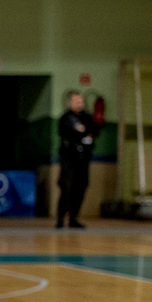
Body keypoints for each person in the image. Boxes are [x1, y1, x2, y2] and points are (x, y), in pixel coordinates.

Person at [57, 91, 98, 229]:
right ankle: (61, 219)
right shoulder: (65, 118)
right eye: (76, 101)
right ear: (70, 102)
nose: (79, 104)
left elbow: (94, 131)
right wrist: (80, 132)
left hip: (83, 159)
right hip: (69, 159)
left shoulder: (87, 117)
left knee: (81, 187)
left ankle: (74, 218)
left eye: (81, 101)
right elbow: (67, 132)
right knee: (66, 188)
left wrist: (84, 131)